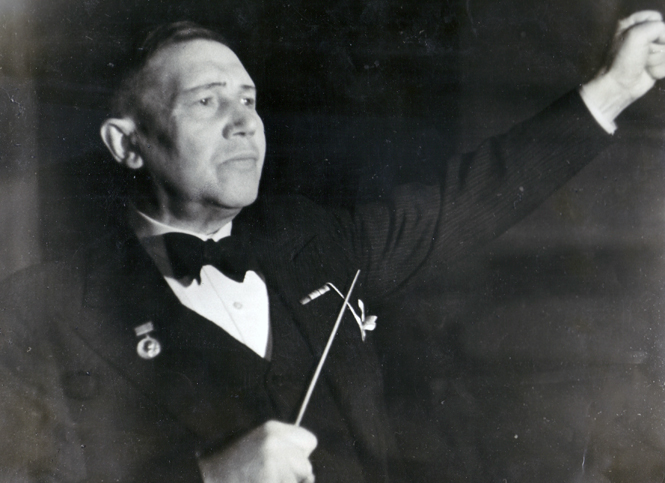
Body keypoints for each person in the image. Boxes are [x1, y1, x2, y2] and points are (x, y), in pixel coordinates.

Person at [1, 10, 664, 483]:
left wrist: (616, 86)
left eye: (248, 99)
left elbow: (467, 198)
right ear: (126, 144)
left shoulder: (316, 240)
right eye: (206, 102)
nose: (243, 121)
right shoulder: (36, 314)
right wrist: (206, 477)